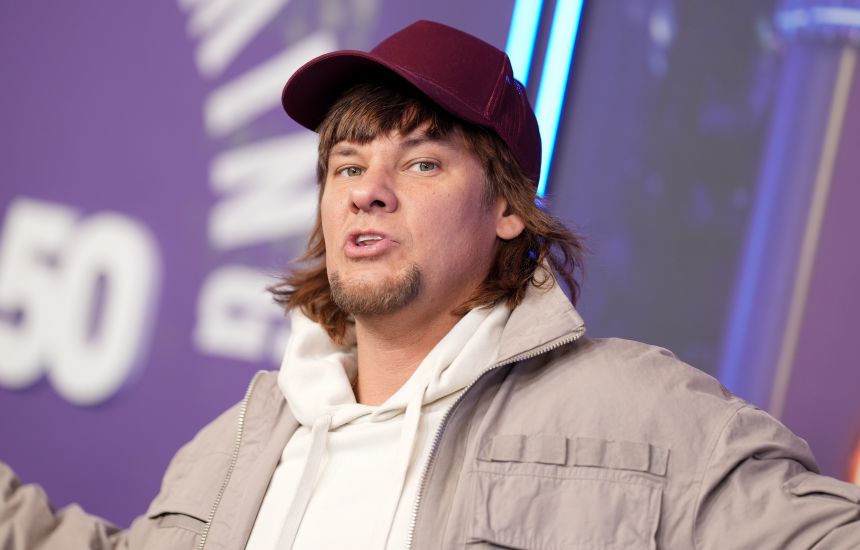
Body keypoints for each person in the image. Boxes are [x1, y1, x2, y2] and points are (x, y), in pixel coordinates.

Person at [2, 19, 860, 550]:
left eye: (419, 160)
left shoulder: (642, 415)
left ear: (507, 211)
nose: (368, 189)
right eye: (347, 164)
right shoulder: (234, 447)